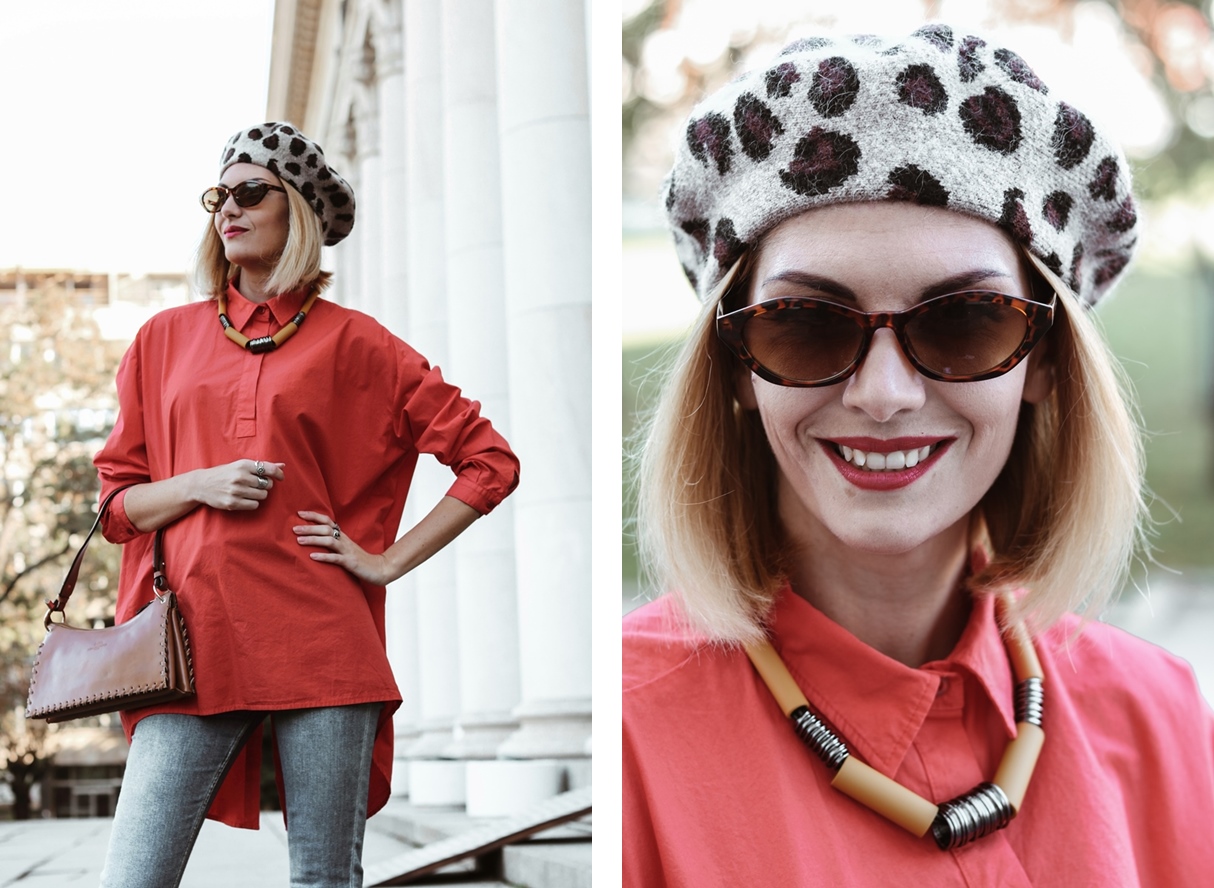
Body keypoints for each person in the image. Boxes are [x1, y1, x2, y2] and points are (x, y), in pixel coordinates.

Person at [623, 25, 1214, 885]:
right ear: (737, 369)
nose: (885, 395)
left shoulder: (1159, 714)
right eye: (804, 325)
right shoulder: (634, 734)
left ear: (1044, 361)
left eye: (967, 319)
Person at [94, 122, 519, 887]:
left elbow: (489, 462)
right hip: (190, 649)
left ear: (298, 211)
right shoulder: (162, 340)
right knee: (133, 876)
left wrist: (385, 561)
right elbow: (117, 507)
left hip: (323, 647)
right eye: (218, 195)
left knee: (325, 879)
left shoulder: (360, 344)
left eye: (251, 192)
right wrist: (199, 483)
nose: (229, 208)